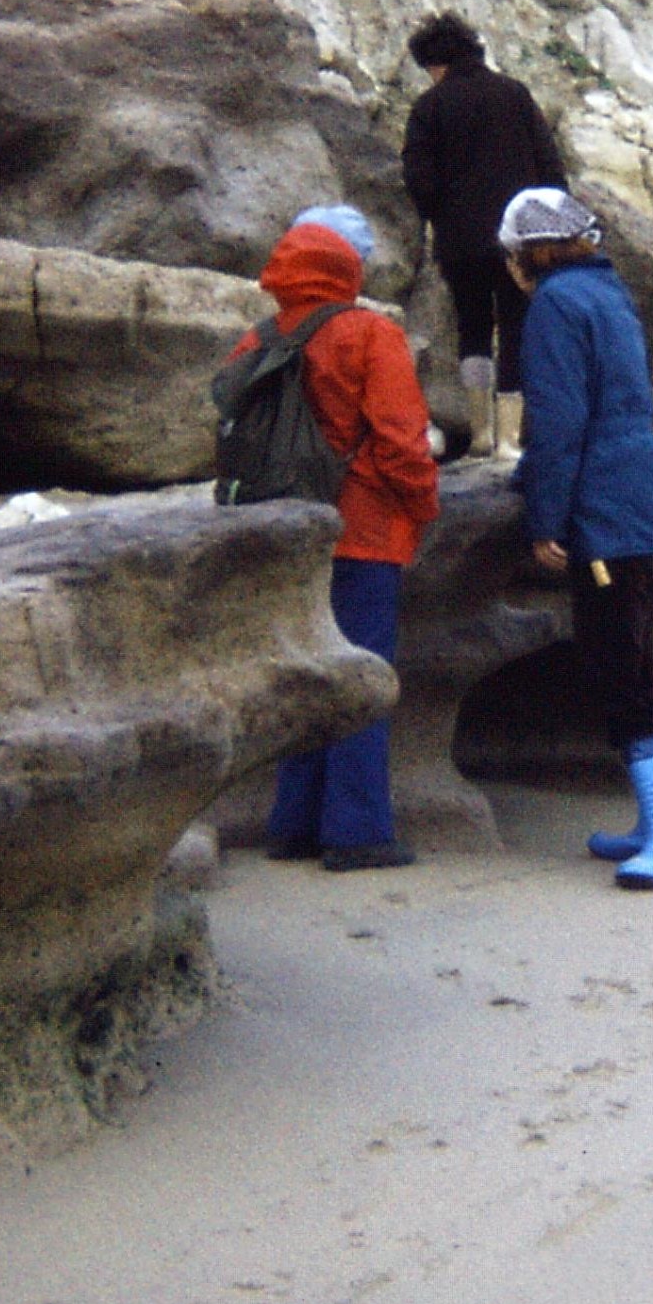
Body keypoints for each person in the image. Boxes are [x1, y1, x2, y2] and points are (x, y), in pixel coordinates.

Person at [498, 187, 653, 890]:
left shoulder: (555, 305)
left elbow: (559, 424)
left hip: (604, 514)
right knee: (641, 658)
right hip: (640, 501)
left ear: (530, 254)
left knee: (620, 666)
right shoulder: (609, 292)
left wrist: (545, 520)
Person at [230, 205, 439, 871]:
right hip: (364, 530)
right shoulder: (369, 334)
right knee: (361, 680)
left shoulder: (257, 340)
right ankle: (357, 831)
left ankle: (292, 825)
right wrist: (422, 505)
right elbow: (403, 439)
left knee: (305, 677)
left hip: (284, 533)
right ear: (349, 268)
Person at [401, 11, 570, 460]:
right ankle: (511, 440)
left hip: (460, 241)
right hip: (520, 239)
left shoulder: (429, 107)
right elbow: (551, 168)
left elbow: (419, 179)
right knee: (516, 327)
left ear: (438, 62)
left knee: (473, 328)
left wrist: (438, 220)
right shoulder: (514, 94)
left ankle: (479, 432)